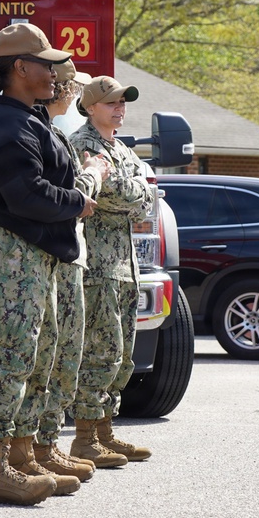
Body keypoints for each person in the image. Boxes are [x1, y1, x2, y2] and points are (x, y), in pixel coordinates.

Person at [0, 23, 102, 505]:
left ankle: (23, 456)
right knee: (11, 358)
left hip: (30, 251)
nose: (56, 72)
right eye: (46, 64)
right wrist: (78, 201)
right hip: (8, 252)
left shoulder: (29, 120)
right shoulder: (8, 126)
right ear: (21, 68)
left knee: (38, 355)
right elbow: (26, 195)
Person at [30, 61, 118, 479]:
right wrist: (93, 175)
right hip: (56, 258)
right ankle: (34, 450)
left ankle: (46, 445)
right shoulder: (50, 134)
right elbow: (57, 196)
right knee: (49, 357)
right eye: (73, 88)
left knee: (64, 357)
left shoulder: (53, 133)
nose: (74, 94)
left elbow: (139, 195)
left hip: (70, 255)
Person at [69, 76, 155, 466]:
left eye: (123, 102)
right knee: (101, 352)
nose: (119, 108)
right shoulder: (82, 145)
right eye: (111, 102)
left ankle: (105, 432)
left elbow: (146, 198)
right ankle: (85, 438)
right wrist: (137, 191)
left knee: (122, 356)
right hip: (97, 267)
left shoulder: (121, 148)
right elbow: (110, 194)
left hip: (125, 265)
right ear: (89, 107)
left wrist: (137, 191)